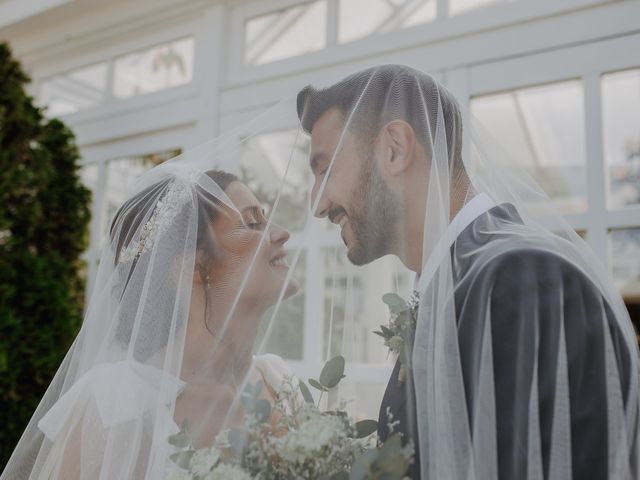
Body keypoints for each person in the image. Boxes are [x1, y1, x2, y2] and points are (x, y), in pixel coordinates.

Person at [297, 64, 639, 479]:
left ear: (394, 149)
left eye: (325, 168)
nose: (318, 203)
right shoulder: (454, 283)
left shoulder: (522, 277)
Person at [0, 166, 299, 479]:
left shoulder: (279, 381)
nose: (281, 232)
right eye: (252, 223)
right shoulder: (113, 406)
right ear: (193, 266)